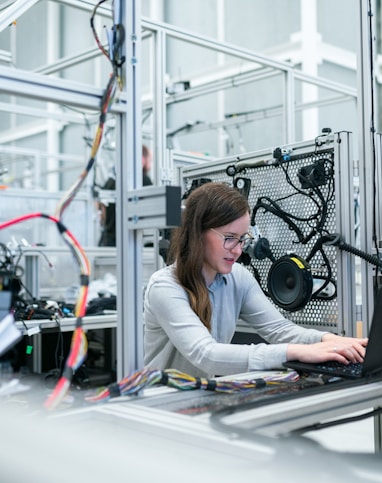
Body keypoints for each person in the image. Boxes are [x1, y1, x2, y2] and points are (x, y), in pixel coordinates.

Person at [143, 182, 368, 378]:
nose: (239, 250)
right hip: (162, 404)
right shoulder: (165, 286)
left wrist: (332, 341)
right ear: (197, 233)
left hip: (200, 398)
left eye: (242, 239)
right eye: (230, 238)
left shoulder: (237, 278)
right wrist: (295, 352)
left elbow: (280, 330)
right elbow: (206, 355)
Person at [98, 144, 153, 247]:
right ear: (141, 159)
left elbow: (101, 213)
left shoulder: (110, 181)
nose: (150, 164)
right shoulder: (143, 179)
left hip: (107, 241)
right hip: (128, 242)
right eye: (150, 160)